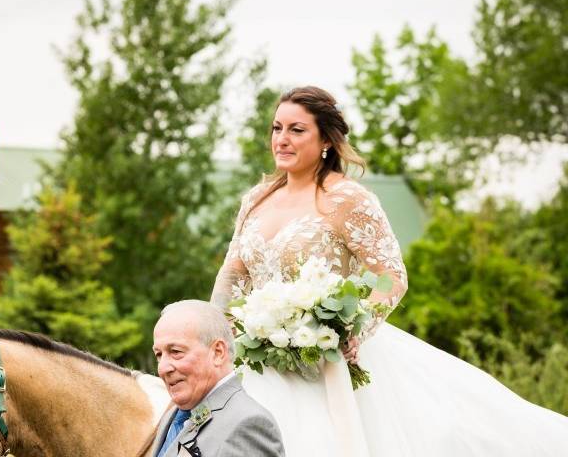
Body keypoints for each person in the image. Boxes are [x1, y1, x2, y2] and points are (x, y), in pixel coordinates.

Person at [210, 86, 568, 456]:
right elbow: (231, 276)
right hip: (258, 357)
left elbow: (392, 276)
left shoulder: (349, 199)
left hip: (325, 360)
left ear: (326, 141)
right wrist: (214, 337)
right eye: (277, 128)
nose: (282, 139)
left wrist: (352, 330)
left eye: (296, 130)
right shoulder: (257, 198)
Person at [151, 300, 285, 457]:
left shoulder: (247, 423)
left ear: (218, 353)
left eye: (175, 351)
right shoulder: (172, 417)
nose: (163, 368)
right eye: (159, 355)